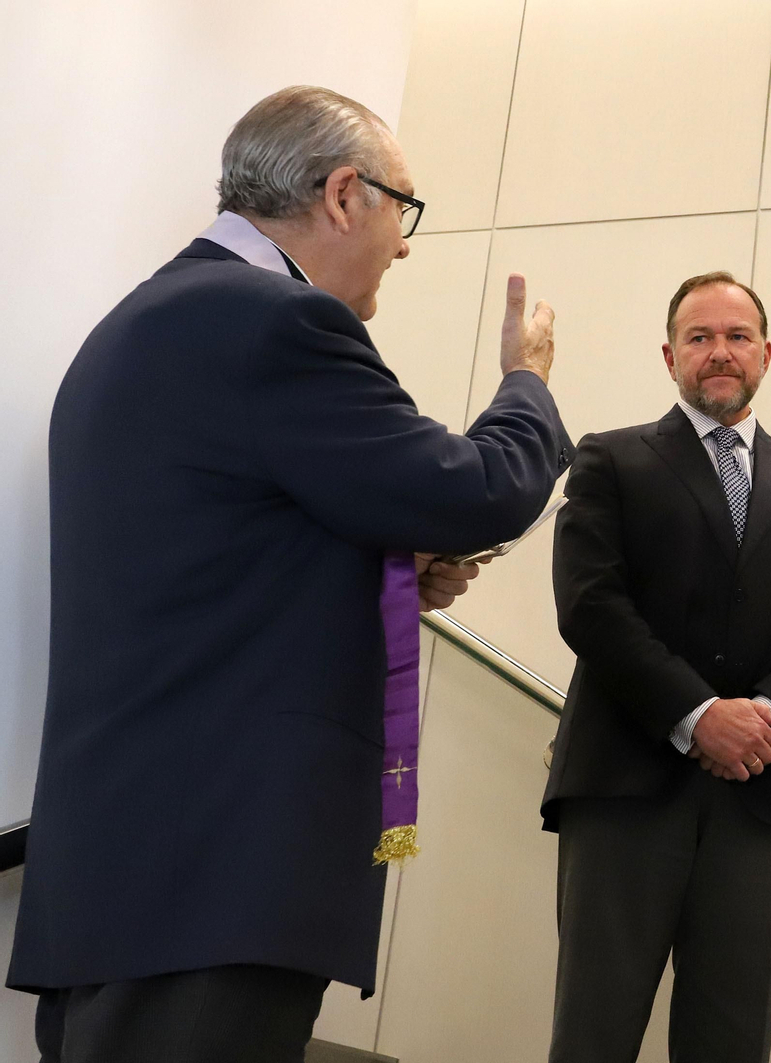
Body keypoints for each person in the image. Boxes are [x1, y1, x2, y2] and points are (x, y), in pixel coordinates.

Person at [7, 85, 572, 1062]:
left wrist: (385, 565)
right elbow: (473, 489)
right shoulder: (267, 322)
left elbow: (228, 554)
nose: (404, 245)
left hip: (136, 864)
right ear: (345, 193)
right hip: (214, 871)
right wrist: (526, 384)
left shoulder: (157, 318)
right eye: (406, 210)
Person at [542, 271, 771, 1063]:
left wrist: (766, 718)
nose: (718, 352)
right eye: (699, 337)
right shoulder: (610, 460)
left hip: (764, 796)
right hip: (624, 788)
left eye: (735, 336)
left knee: (732, 1043)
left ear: (766, 353)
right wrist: (699, 717)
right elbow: (591, 606)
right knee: (594, 1032)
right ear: (669, 355)